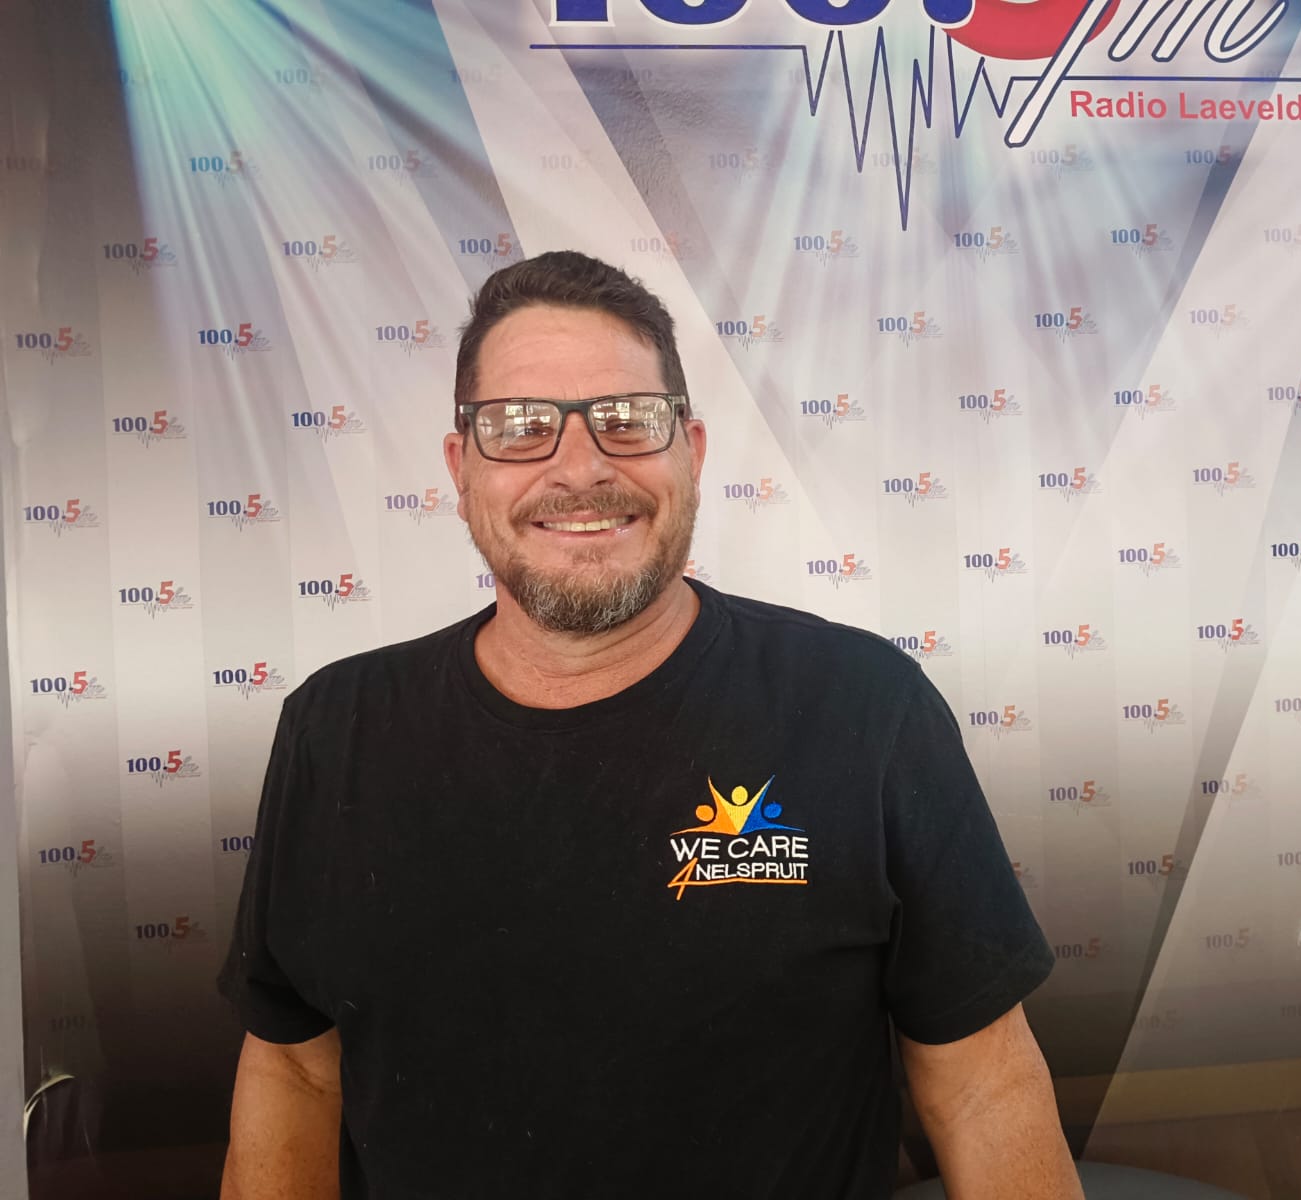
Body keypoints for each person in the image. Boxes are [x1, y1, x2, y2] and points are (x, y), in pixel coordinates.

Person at [217, 251, 1083, 1200]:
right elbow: (296, 1067)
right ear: (461, 470)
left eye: (627, 420)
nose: (580, 467)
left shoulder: (864, 707)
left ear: (692, 453)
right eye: (520, 427)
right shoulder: (334, 730)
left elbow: (982, 1086)